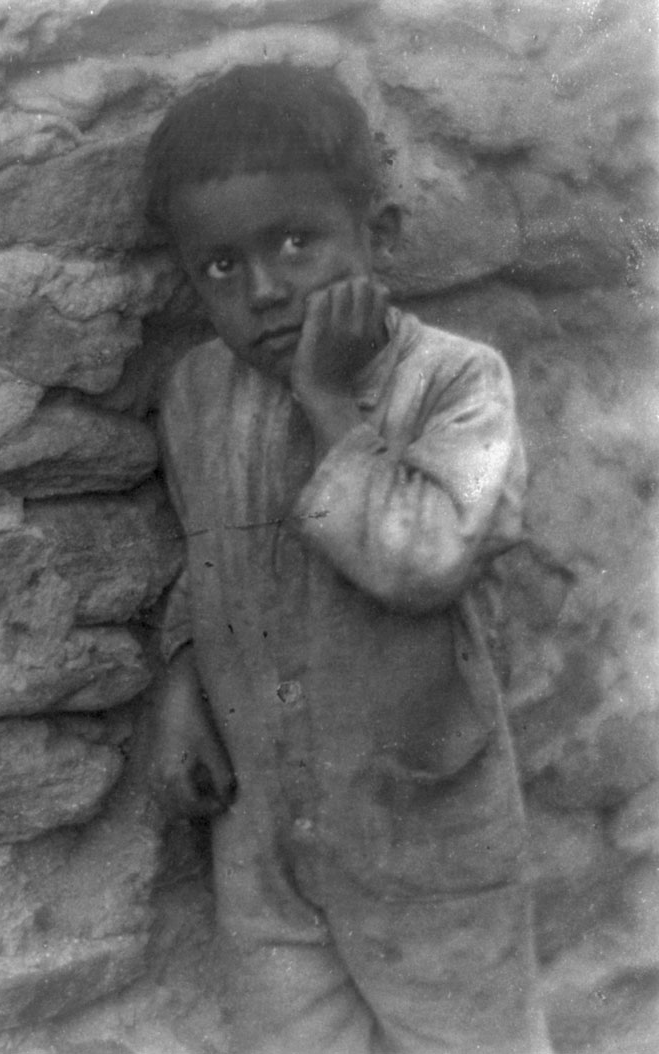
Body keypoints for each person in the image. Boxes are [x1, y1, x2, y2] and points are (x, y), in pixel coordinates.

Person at [144, 63, 551, 1054]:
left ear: (379, 234)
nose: (268, 290)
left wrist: (330, 404)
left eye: (295, 241)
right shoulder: (199, 392)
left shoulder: (455, 382)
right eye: (221, 268)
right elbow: (203, 556)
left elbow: (423, 560)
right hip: (266, 842)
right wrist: (179, 683)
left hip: (425, 836)